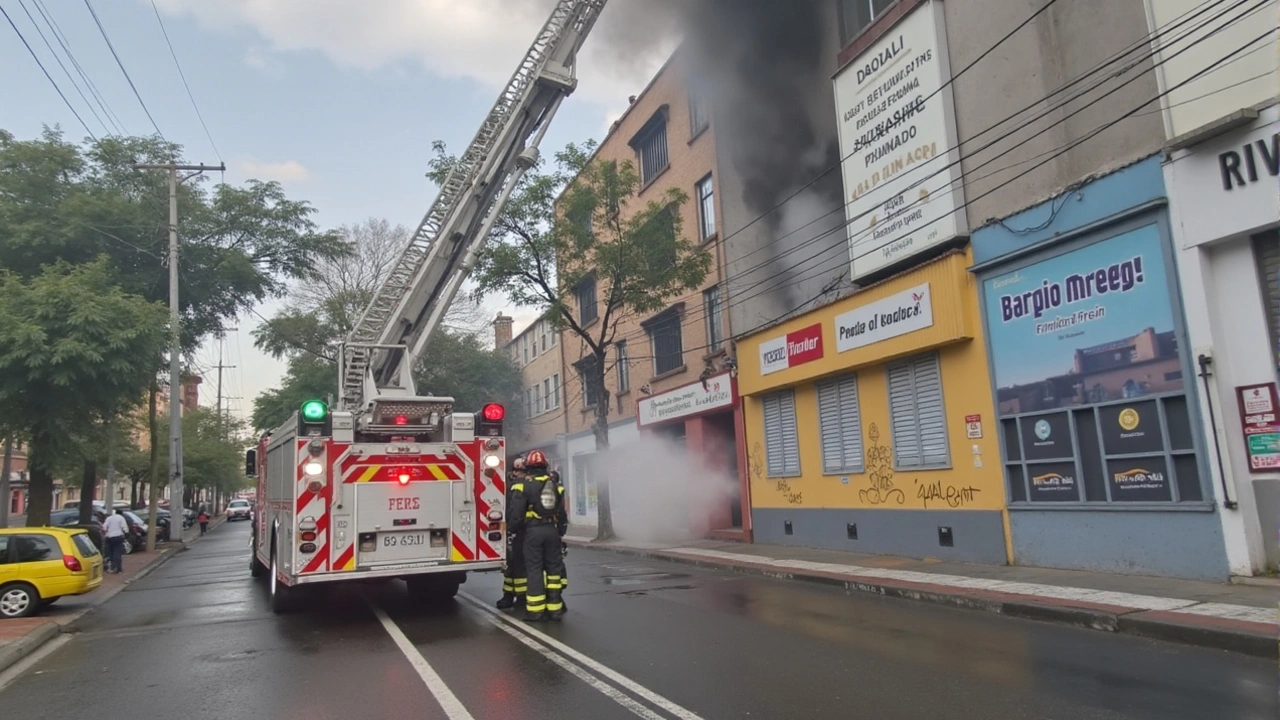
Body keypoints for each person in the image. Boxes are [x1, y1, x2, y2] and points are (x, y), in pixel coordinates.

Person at [509, 450, 566, 622]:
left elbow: (517, 515)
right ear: (545, 466)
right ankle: (555, 609)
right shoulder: (555, 485)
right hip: (552, 530)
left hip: (532, 532)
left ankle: (535, 610)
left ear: (528, 467)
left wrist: (512, 530)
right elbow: (562, 513)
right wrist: (560, 531)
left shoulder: (522, 485)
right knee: (553, 569)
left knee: (534, 569)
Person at [496, 456, 528, 610]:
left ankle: (520, 597)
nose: (517, 473)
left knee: (519, 565)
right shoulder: (512, 485)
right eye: (515, 470)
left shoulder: (521, 486)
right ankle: (508, 596)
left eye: (520, 470)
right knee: (511, 565)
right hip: (516, 530)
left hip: (522, 531)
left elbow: (516, 512)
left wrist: (511, 529)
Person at [102, 508, 130, 574]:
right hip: (118, 537)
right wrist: (126, 535)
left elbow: (104, 527)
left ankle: (111, 567)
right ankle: (118, 568)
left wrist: (106, 534)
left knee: (110, 552)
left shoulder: (109, 518)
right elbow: (125, 527)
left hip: (109, 537)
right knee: (117, 552)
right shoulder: (121, 518)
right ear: (121, 513)